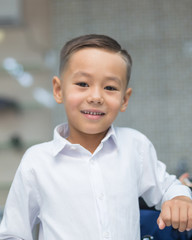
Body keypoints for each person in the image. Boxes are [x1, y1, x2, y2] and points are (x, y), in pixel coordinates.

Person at [0, 34, 192, 240]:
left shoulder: (135, 146)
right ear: (58, 90)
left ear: (124, 99)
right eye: (83, 84)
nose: (96, 97)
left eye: (110, 87)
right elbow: (13, 234)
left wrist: (180, 198)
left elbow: (169, 187)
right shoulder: (37, 162)